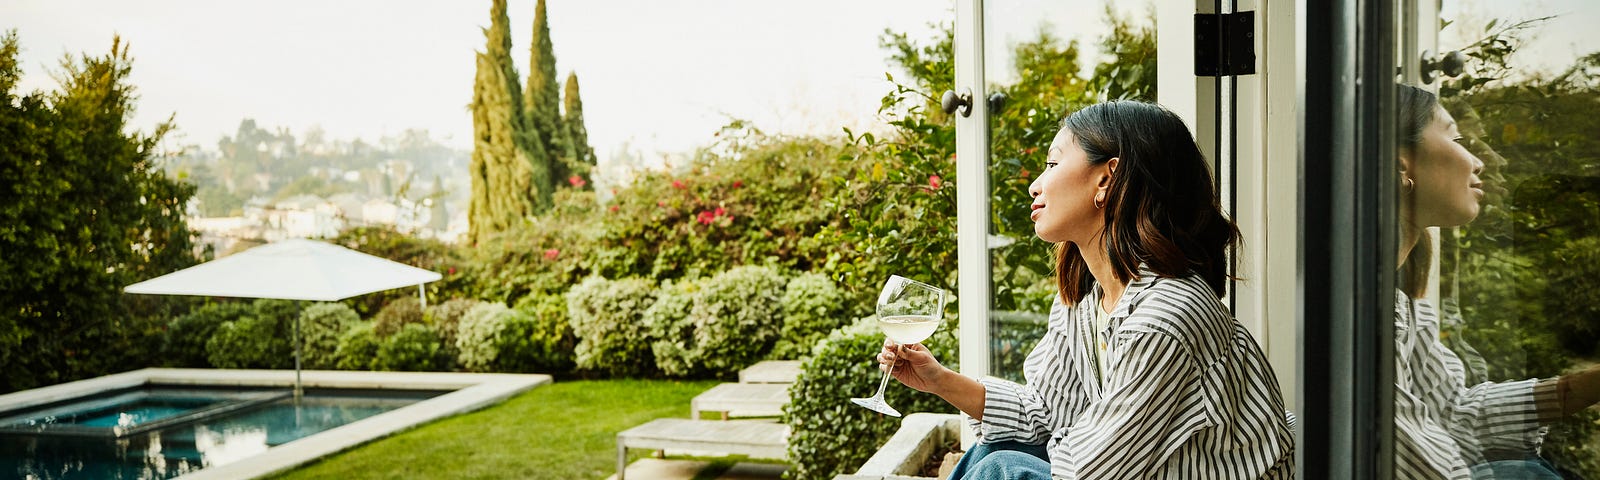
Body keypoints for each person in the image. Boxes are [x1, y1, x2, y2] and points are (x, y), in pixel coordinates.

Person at [876, 100, 1294, 479]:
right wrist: (939, 381)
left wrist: (1051, 438)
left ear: (1107, 179)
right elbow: (1042, 412)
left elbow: (1091, 470)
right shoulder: (1085, 300)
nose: (1035, 185)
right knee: (996, 451)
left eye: (1054, 164)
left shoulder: (1167, 314)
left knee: (1002, 466)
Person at [1391, 84, 1600, 480]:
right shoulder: (1360, 317)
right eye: (1456, 138)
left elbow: (1453, 414)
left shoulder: (1395, 304)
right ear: (1402, 165)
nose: (1479, 162)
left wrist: (1587, 384)